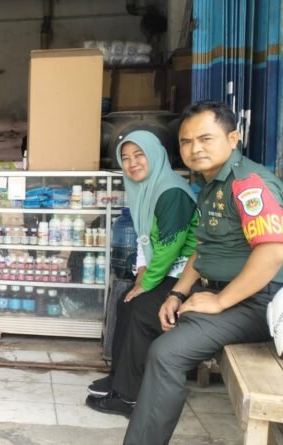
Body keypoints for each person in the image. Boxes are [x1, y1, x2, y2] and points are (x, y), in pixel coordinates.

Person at [123, 101, 283, 444]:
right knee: (145, 310)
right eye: (186, 141)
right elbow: (202, 249)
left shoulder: (248, 183)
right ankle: (129, 396)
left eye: (205, 138)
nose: (195, 148)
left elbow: (272, 252)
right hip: (220, 291)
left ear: (233, 138)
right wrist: (177, 293)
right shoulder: (211, 185)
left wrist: (220, 301)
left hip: (255, 301)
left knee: (166, 354)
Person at [85, 131, 198, 416]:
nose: (132, 163)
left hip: (188, 276)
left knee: (141, 309)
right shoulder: (145, 189)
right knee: (126, 299)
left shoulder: (171, 192)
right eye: (125, 158)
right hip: (165, 270)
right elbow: (145, 237)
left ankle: (129, 397)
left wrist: (147, 283)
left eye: (139, 155)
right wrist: (142, 274)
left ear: (155, 155)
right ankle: (119, 376)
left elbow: (170, 246)